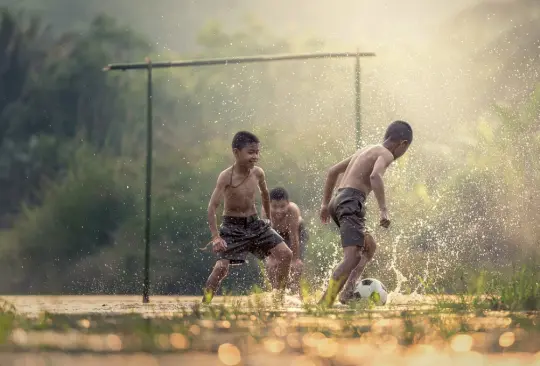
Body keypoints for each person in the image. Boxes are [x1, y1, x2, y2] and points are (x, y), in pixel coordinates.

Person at [318, 120, 413, 307]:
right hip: (351, 201)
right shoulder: (386, 154)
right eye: (406, 149)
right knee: (352, 257)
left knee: (369, 247)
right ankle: (323, 305)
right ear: (403, 144)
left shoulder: (367, 149)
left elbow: (332, 172)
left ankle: (347, 293)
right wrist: (384, 210)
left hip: (338, 200)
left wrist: (324, 204)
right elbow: (375, 176)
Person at [202, 131, 293, 304]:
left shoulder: (258, 173)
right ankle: (204, 304)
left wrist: (268, 220)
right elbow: (212, 207)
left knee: (286, 254)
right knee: (221, 268)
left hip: (255, 224)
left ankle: (279, 298)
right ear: (236, 152)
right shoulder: (226, 177)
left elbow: (265, 195)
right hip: (232, 226)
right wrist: (215, 237)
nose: (255, 156)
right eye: (251, 152)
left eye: (257, 152)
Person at [262, 187, 309, 294]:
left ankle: (295, 291)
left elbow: (294, 237)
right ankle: (276, 292)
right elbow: (267, 237)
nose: (278, 210)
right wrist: (271, 258)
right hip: (276, 234)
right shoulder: (266, 212)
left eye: (283, 206)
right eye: (274, 206)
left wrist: (295, 259)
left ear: (288, 203)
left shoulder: (293, 210)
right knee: (272, 266)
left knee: (295, 267)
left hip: (297, 233)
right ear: (269, 204)